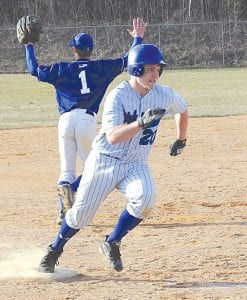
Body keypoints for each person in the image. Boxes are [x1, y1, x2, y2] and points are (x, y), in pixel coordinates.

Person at [38, 43, 189, 273]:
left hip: (136, 163)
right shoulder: (117, 97)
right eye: (150, 69)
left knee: (145, 200)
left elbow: (182, 109)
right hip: (105, 160)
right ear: (136, 69)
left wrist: (181, 139)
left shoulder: (163, 94)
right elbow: (113, 136)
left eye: (158, 69)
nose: (155, 74)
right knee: (80, 216)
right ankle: (54, 250)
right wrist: (140, 123)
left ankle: (112, 242)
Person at [24, 18, 147, 225]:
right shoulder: (101, 68)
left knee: (67, 170)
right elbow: (129, 60)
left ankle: (64, 208)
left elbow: (34, 69)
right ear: (90, 50)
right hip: (86, 121)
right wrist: (138, 38)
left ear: (74, 50)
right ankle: (71, 191)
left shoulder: (62, 69)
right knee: (94, 167)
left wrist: (29, 46)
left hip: (64, 121)